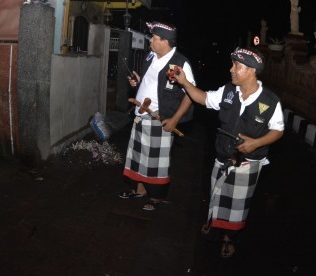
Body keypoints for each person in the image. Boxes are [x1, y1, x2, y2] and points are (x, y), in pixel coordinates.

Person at [174, 47, 284, 257]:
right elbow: (204, 98)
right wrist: (185, 82)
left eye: (237, 66)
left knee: (237, 207)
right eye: (232, 64)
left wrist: (257, 143)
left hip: (247, 164)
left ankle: (228, 239)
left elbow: (278, 130)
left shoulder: (270, 102)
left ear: (252, 71)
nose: (231, 69)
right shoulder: (228, 91)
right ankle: (212, 224)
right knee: (216, 196)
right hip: (222, 157)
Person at [118, 21, 195, 211]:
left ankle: (157, 197)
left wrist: (175, 119)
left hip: (160, 119)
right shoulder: (151, 56)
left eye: (154, 37)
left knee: (155, 162)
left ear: (165, 41)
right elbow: (151, 82)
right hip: (140, 115)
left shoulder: (180, 63)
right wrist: (138, 83)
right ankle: (140, 190)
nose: (150, 40)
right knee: (139, 157)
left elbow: (190, 95)